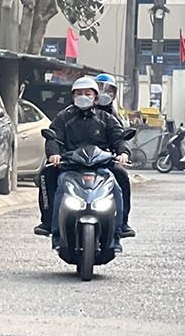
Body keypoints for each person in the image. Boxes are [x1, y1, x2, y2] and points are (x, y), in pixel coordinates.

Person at [35, 74, 134, 245]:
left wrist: (123, 153)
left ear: (95, 97)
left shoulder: (106, 119)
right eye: (78, 93)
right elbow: (53, 139)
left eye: (87, 93)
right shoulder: (63, 117)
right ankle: (49, 223)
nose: (83, 97)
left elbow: (118, 139)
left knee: (122, 178)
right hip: (69, 166)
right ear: (72, 96)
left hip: (102, 166)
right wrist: (54, 154)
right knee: (46, 174)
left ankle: (122, 226)